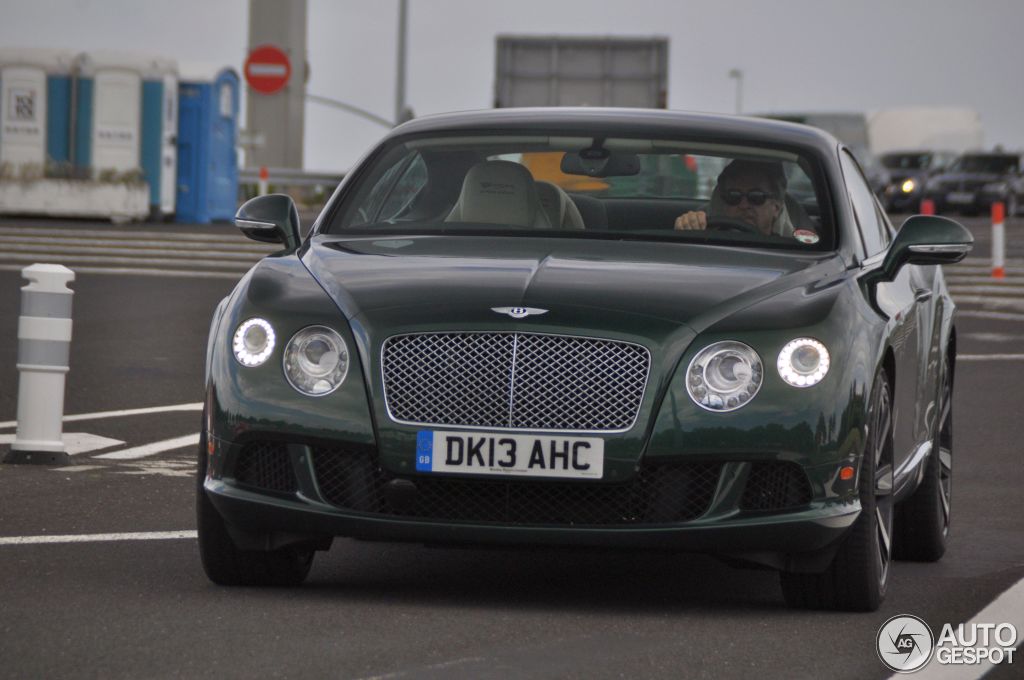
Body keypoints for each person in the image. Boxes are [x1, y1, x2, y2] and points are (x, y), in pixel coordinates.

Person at [674, 159, 796, 236]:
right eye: (734, 196)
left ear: (776, 208)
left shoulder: (790, 250)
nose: (743, 205)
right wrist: (687, 229)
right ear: (724, 203)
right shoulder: (706, 238)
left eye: (756, 197)